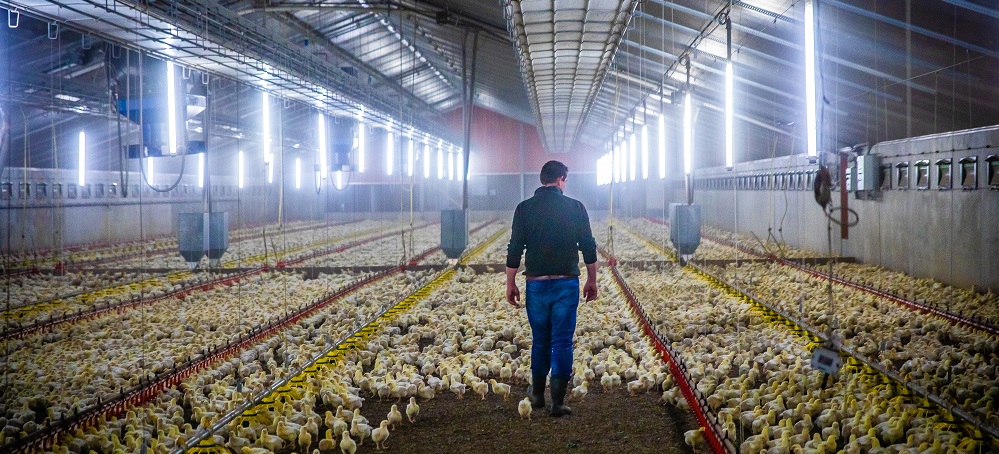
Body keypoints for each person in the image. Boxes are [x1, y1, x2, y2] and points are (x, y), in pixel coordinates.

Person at [506, 160, 598, 417]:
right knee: (562, 342)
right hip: (565, 283)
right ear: (561, 180)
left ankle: (537, 396)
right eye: (565, 180)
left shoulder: (524, 209)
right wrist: (592, 279)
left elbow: (515, 248)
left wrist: (510, 282)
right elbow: (589, 246)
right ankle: (557, 402)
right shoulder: (575, 207)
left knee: (540, 341)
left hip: (535, 284)